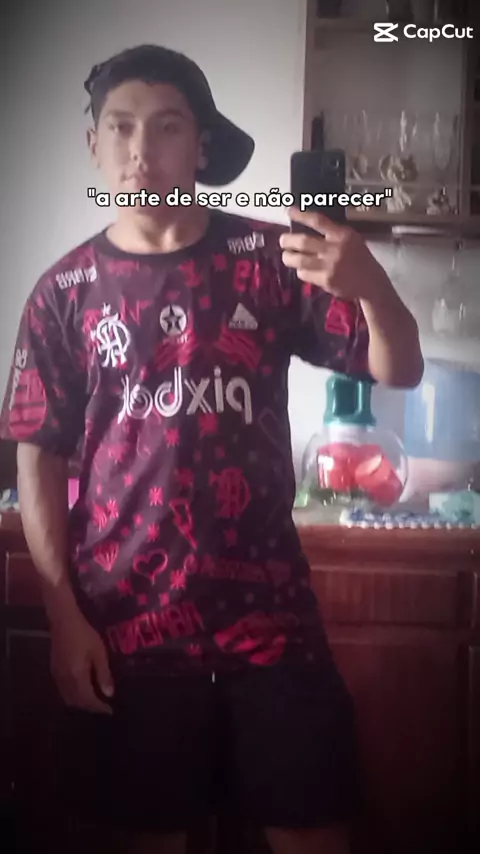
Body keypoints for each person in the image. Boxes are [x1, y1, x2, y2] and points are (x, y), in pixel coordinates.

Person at [0, 44, 423, 854]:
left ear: (201, 145)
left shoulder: (270, 260)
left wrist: (370, 282)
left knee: (314, 830)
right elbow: (37, 457)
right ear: (93, 145)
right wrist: (63, 619)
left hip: (272, 624)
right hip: (125, 628)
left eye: (166, 127)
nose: (140, 150)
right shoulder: (63, 293)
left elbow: (398, 368)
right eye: (120, 127)